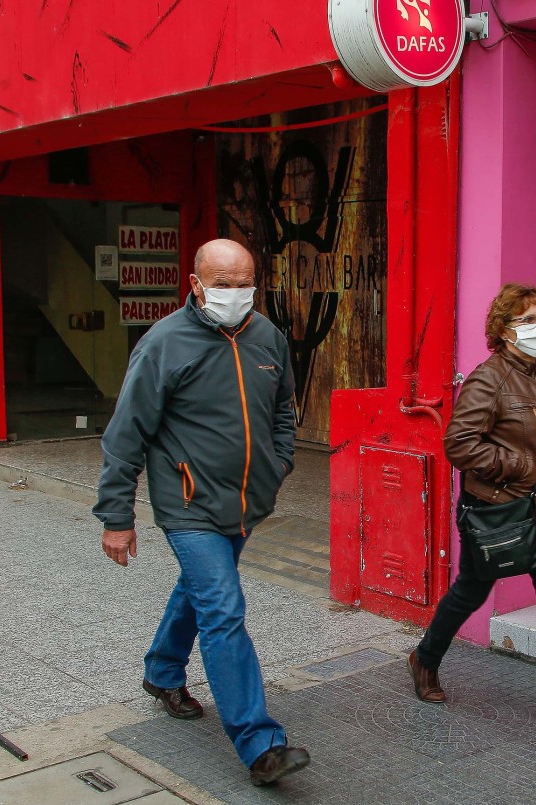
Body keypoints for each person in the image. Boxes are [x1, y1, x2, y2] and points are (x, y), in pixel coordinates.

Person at [94, 239, 310, 785]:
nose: (235, 294)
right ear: (195, 284)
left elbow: (283, 407)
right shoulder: (164, 343)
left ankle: (162, 671)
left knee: (199, 591)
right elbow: (125, 435)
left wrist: (278, 463)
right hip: (188, 504)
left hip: (246, 501)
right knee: (222, 608)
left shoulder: (268, 338)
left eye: (244, 284)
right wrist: (116, 517)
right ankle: (260, 743)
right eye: (223, 283)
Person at [408, 283, 536, 741]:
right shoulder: (489, 378)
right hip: (499, 508)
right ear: (503, 330)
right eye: (528, 321)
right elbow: (459, 444)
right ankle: (425, 658)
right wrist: (522, 468)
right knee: (471, 591)